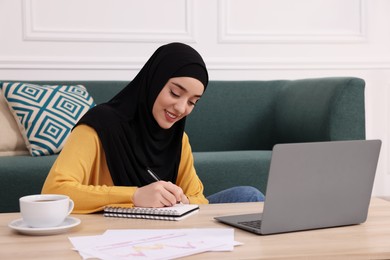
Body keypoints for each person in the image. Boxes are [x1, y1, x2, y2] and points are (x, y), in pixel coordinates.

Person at [42, 42, 264, 213]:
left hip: (168, 229)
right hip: (114, 227)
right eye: (175, 93)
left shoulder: (178, 138)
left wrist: (182, 200)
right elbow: (55, 192)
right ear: (154, 81)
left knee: (249, 195)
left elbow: (198, 198)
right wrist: (135, 196)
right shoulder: (99, 126)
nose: (181, 108)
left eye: (192, 102)